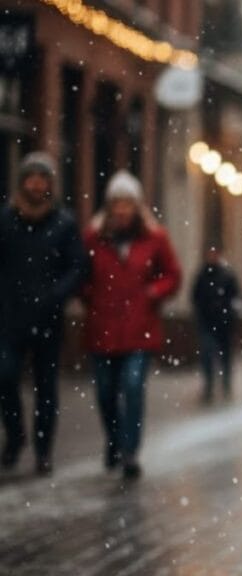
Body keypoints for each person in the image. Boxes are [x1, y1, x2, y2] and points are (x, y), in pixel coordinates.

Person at [82, 171, 182, 479]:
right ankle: (114, 440)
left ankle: (130, 451)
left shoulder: (155, 238)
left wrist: (153, 292)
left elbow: (172, 275)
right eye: (117, 203)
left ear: (137, 206)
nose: (122, 210)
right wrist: (93, 297)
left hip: (140, 329)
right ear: (109, 206)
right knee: (106, 392)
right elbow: (80, 274)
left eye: (128, 203)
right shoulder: (93, 238)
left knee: (133, 385)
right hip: (103, 328)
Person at [0, 152, 88, 475]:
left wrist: (56, 295)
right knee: (5, 376)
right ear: (22, 182)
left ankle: (43, 450)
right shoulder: (6, 220)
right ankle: (15, 435)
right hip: (10, 318)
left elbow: (78, 266)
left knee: (46, 388)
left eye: (42, 179)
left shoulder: (63, 223)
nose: (37, 185)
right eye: (31, 178)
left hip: (48, 319)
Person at [191, 246, 239, 403]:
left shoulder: (227, 275)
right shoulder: (202, 275)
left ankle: (225, 382)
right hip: (207, 321)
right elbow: (195, 296)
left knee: (225, 355)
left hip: (224, 322)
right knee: (207, 354)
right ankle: (209, 385)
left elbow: (235, 296)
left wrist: (228, 312)